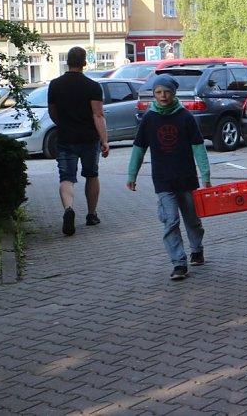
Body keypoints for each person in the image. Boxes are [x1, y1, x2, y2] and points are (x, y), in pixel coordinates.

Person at [126, 74, 211, 281]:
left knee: (192, 220)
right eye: (158, 92)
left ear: (174, 93)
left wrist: (205, 175)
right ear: (153, 94)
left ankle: (196, 249)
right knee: (171, 220)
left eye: (166, 92)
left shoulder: (185, 116)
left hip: (186, 177)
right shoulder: (149, 118)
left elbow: (199, 147)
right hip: (162, 179)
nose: (162, 96)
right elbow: (139, 148)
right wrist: (132, 174)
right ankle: (179, 263)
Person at [47, 46, 109, 236]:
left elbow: (52, 111)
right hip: (89, 138)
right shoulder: (92, 86)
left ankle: (68, 209)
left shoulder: (55, 85)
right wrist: (104, 141)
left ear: (67, 61)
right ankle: (91, 215)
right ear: (84, 62)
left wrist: (62, 123)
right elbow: (98, 115)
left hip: (65, 138)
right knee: (91, 174)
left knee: (66, 178)